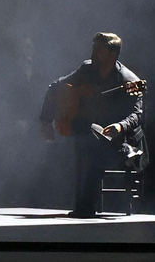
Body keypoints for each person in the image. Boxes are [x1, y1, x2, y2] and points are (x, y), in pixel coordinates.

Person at [38, 32, 146, 218]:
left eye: (98, 50)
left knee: (94, 145)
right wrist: (46, 120)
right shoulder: (87, 69)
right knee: (89, 134)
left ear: (112, 54)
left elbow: (136, 115)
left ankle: (85, 207)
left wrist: (119, 126)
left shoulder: (128, 80)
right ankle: (85, 206)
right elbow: (55, 86)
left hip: (121, 139)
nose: (93, 54)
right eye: (93, 49)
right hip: (93, 134)